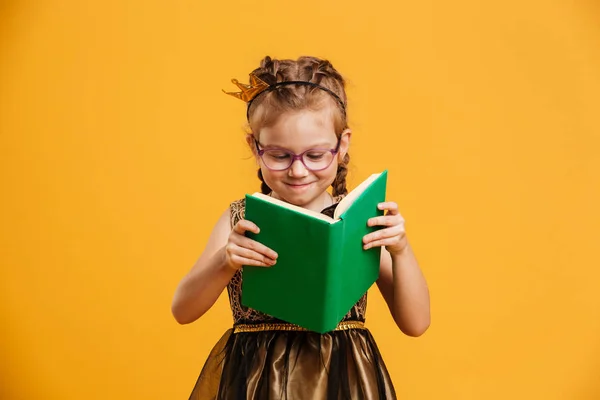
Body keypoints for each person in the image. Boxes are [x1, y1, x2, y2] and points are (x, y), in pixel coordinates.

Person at [171, 55, 431, 399]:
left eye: (315, 155)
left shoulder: (359, 222)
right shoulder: (241, 219)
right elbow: (183, 310)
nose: (298, 170)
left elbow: (416, 324)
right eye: (280, 155)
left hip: (343, 383)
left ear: (343, 145)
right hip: (258, 383)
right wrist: (225, 261)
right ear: (255, 146)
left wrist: (401, 249)